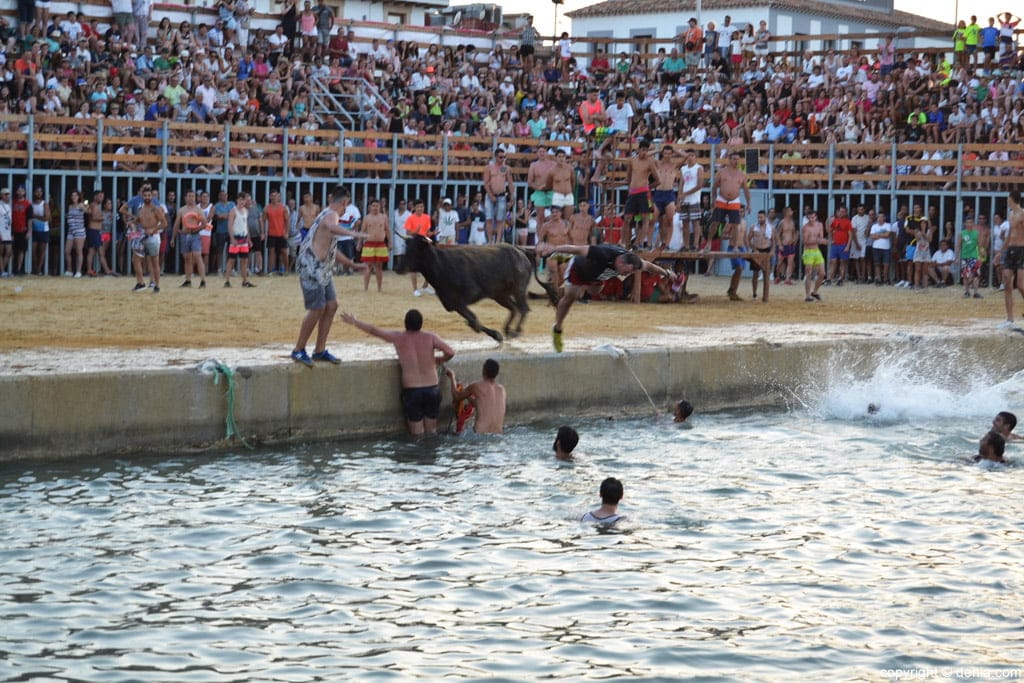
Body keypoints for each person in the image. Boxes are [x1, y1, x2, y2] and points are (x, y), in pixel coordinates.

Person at [537, 242, 674, 352]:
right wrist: (554, 249)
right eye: (626, 272)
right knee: (570, 298)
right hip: (579, 269)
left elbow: (649, 266)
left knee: (595, 292)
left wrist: (666, 273)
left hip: (597, 277)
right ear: (620, 262)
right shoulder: (602, 253)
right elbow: (576, 249)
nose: (625, 275)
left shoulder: (633, 261)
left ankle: (584, 288)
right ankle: (557, 329)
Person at [341, 309, 456, 435]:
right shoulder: (431, 337)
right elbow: (450, 352)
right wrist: (440, 359)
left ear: (405, 323)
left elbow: (374, 330)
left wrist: (355, 322)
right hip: (432, 389)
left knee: (416, 435)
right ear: (421, 323)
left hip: (412, 391)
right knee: (431, 432)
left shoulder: (398, 337)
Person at [291, 185, 368, 368]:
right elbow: (331, 225)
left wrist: (352, 264)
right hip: (312, 267)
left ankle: (320, 349)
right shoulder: (331, 214)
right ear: (345, 203)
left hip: (322, 268)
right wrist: (353, 233)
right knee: (317, 308)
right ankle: (298, 349)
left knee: (332, 305)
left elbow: (332, 250)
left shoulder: (326, 213)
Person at [712, 152, 752, 301]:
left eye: (738, 159)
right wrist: (728, 237)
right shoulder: (722, 172)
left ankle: (733, 290)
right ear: (729, 160)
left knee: (741, 269)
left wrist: (749, 248)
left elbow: (745, 237)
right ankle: (732, 291)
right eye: (734, 158)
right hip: (733, 246)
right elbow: (723, 234)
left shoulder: (744, 222)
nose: (736, 161)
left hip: (742, 247)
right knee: (739, 268)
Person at [444, 358, 506, 435]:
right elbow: (482, 405)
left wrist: (452, 376)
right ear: (497, 373)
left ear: (484, 371)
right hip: (497, 436)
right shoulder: (502, 390)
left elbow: (456, 397)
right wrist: (467, 395)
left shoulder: (476, 386)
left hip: (479, 435)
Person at [622, 139, 659, 248]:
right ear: (638, 149)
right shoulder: (632, 160)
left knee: (645, 219)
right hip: (633, 193)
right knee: (627, 218)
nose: (644, 153)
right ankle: (624, 242)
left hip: (643, 193)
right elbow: (628, 178)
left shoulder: (650, 162)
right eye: (643, 150)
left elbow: (658, 180)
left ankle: (639, 242)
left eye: (646, 150)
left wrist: (647, 188)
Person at [131, 186, 166, 293]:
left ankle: (157, 286)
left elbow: (164, 223)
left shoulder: (156, 209)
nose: (147, 197)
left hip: (153, 237)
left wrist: (153, 230)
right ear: (142, 196)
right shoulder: (140, 209)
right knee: (136, 258)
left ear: (152, 196)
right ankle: (141, 283)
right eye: (145, 195)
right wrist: (132, 223)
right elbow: (139, 221)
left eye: (149, 195)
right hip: (142, 236)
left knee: (154, 262)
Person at [171, 189, 208, 288]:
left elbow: (204, 223)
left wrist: (197, 229)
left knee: (197, 256)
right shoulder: (182, 210)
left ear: (195, 198)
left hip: (195, 235)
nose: (191, 198)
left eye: (193, 196)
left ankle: (203, 280)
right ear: (185, 198)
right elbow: (176, 224)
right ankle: (188, 280)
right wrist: (173, 237)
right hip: (184, 235)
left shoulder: (198, 210)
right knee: (187, 258)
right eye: (189, 196)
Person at [998, 190, 1024, 328]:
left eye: (1008, 198)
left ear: (1012, 199)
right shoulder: (1011, 214)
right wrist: (1001, 251)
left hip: (1022, 250)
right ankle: (1009, 319)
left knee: (1020, 286)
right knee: (1007, 283)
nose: (1007, 200)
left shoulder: (1022, 214)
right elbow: (1009, 235)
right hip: (1011, 249)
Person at [224, 191, 254, 288]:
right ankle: (227, 281)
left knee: (244, 260)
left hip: (244, 238)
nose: (242, 202)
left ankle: (245, 281)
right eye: (241, 199)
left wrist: (248, 239)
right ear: (237, 200)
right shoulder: (233, 211)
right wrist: (232, 238)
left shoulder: (246, 211)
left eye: (244, 200)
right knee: (231, 260)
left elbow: (246, 225)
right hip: (236, 238)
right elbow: (230, 225)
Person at [483, 149, 513, 244]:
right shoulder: (489, 168)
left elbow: (510, 183)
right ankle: (490, 241)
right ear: (496, 157)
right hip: (490, 195)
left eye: (504, 157)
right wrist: (490, 195)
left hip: (501, 196)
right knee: (489, 218)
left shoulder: (505, 168)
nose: (502, 159)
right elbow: (486, 183)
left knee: (500, 219)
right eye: (500, 157)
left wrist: (512, 197)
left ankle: (498, 241)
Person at [360, 198, 389, 292]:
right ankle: (366, 288)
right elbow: (362, 231)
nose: (375, 208)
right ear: (370, 207)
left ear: (380, 207)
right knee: (368, 266)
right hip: (369, 244)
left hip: (380, 244)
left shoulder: (384, 217)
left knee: (379, 266)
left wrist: (390, 242)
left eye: (377, 206)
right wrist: (359, 243)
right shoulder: (366, 218)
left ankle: (379, 288)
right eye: (373, 206)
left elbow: (387, 230)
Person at [802, 210, 826, 302]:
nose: (811, 219)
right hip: (808, 251)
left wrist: (822, 241)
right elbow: (805, 241)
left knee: (822, 273)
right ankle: (807, 295)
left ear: (815, 217)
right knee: (808, 273)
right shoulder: (805, 227)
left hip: (816, 250)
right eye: (809, 218)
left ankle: (815, 292)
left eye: (813, 217)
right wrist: (819, 240)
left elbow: (821, 238)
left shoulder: (820, 225)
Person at [957, 218, 982, 299]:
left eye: (970, 222)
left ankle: (976, 292)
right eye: (967, 222)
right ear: (965, 224)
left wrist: (980, 256)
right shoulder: (962, 233)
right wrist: (957, 257)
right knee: (965, 275)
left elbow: (980, 246)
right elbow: (958, 246)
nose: (969, 224)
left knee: (976, 275)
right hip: (965, 257)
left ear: (973, 223)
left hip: (974, 256)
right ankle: (967, 292)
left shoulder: (976, 233)